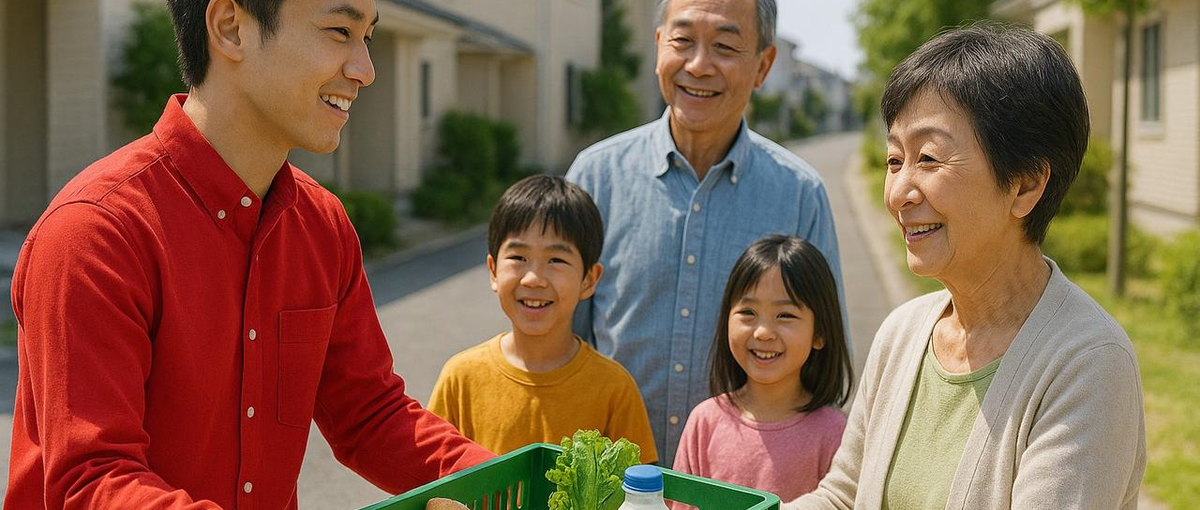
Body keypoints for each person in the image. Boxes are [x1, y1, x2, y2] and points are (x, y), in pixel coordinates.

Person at [4, 0, 494, 508]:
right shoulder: (96, 233)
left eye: (366, 37)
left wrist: (513, 485)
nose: (364, 71)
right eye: (338, 31)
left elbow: (368, 414)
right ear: (230, 28)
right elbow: (92, 480)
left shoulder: (321, 226)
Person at [785, 24, 1145, 510]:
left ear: (1024, 185)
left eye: (929, 158)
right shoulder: (903, 333)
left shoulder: (1087, 364)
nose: (898, 193)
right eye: (895, 159)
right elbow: (844, 496)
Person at [565, 0, 846, 466]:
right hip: (610, 480)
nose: (699, 65)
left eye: (725, 45)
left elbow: (823, 364)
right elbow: (560, 342)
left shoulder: (800, 194)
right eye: (682, 41)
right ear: (658, 47)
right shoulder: (595, 178)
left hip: (741, 486)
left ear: (763, 65)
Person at [429, 175, 657, 464]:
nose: (534, 278)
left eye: (556, 260)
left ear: (589, 279)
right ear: (492, 271)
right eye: (518, 257)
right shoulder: (460, 377)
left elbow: (637, 496)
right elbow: (433, 481)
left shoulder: (614, 387)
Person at [673, 235, 851, 502]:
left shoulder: (836, 434)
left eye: (785, 315)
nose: (764, 332)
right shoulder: (704, 422)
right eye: (748, 312)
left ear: (820, 333)